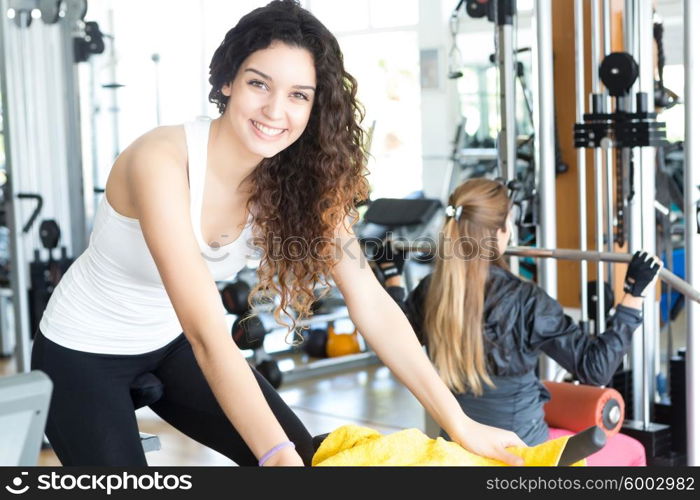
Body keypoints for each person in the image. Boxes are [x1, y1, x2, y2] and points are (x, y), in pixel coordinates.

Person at [31, 1, 527, 467]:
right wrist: (273, 455)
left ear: (315, 107)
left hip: (171, 343)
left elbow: (370, 301)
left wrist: (461, 424)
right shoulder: (162, 160)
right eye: (259, 84)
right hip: (82, 353)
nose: (274, 111)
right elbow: (208, 333)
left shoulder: (302, 181)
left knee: (307, 460)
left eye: (297, 95)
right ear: (227, 80)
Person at [372, 178, 662, 466]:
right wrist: (633, 294)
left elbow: (397, 339)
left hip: (456, 453)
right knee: (633, 449)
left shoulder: (432, 290)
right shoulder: (526, 300)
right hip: (519, 454)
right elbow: (595, 368)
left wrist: (393, 278)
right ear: (501, 232)